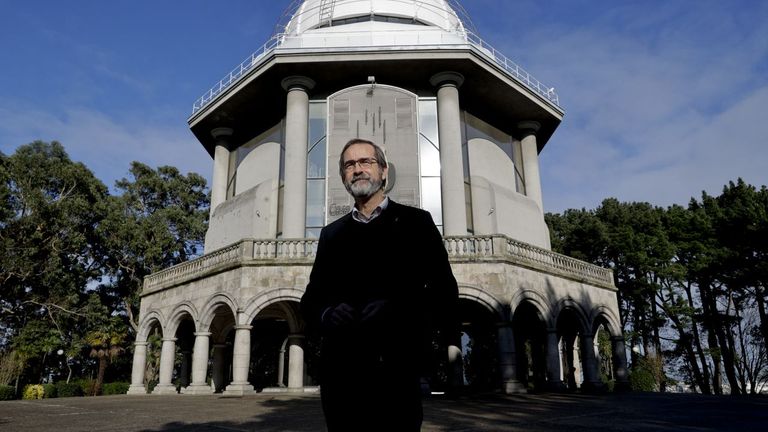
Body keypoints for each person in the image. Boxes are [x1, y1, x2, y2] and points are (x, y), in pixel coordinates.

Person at [301, 138, 459, 432]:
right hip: (342, 380)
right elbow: (310, 301)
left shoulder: (417, 223)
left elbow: (444, 291)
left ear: (384, 171)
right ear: (343, 177)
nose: (358, 169)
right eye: (350, 165)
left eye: (366, 162)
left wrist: (397, 309)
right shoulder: (331, 235)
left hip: (397, 375)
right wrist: (328, 313)